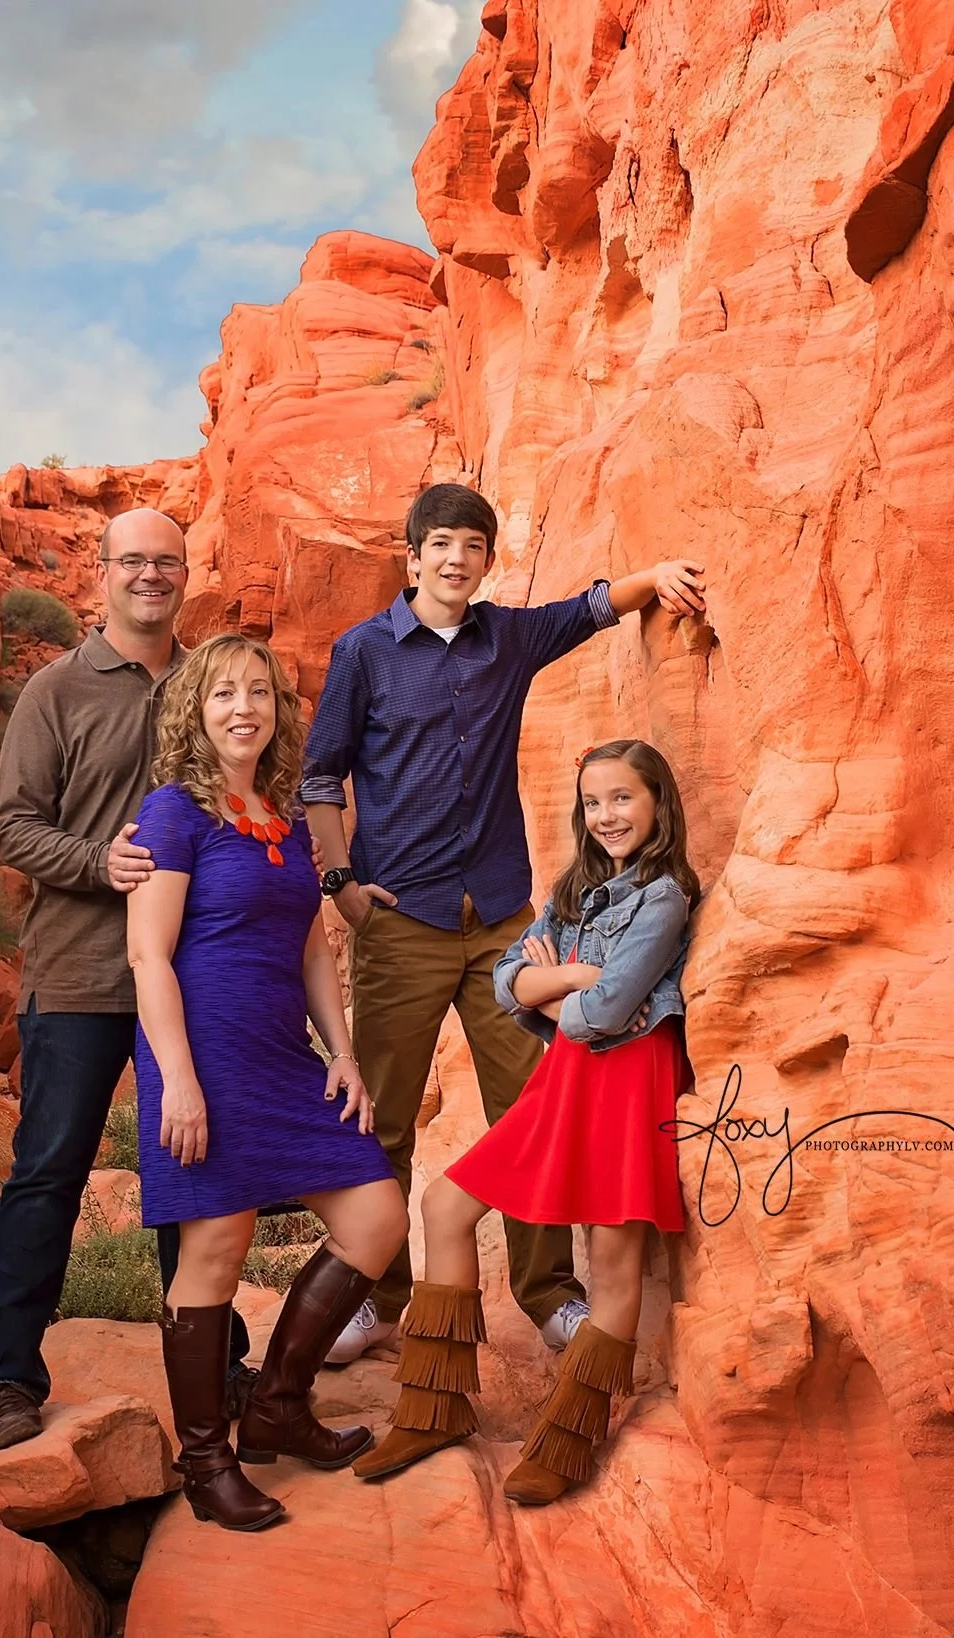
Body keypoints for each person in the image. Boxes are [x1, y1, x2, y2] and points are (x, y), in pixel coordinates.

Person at [299, 482, 705, 1362]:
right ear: (413, 557)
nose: (456, 560)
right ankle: (380, 1297)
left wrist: (657, 577)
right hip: (400, 920)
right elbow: (321, 776)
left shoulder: (507, 638)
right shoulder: (364, 652)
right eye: (440, 544)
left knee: (533, 1108)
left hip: (501, 922)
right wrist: (340, 884)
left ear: (487, 559)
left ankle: (549, 1294)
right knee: (385, 1118)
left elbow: (591, 608)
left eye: (472, 546)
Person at [0, 509, 260, 1450]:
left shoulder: (210, 684)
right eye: (132, 561)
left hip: (195, 979)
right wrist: (101, 862)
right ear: (101, 572)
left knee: (194, 1175)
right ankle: (7, 1381)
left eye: (166, 562)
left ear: (186, 574)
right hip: (81, 976)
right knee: (49, 1173)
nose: (150, 576)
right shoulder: (55, 691)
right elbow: (13, 826)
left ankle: (216, 1376)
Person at [353, 739, 697, 1503]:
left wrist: (554, 985)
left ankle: (569, 1442)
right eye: (593, 802)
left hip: (628, 1081)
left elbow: (599, 1013)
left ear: (658, 802)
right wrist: (573, 974)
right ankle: (435, 1410)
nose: (606, 815)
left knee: (613, 1260)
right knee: (445, 1205)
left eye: (623, 798)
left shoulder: (664, 898)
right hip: (567, 1078)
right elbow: (508, 983)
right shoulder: (577, 890)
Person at [127, 634, 409, 1531]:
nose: (243, 708)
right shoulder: (172, 813)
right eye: (223, 694)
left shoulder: (284, 822)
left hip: (286, 1056)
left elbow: (314, 952)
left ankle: (278, 1406)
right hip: (204, 1055)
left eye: (259, 692)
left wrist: (344, 1054)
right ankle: (206, 1463)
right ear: (195, 711)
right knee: (216, 1247)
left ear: (279, 712)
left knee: (377, 1217)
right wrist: (177, 1080)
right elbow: (148, 955)